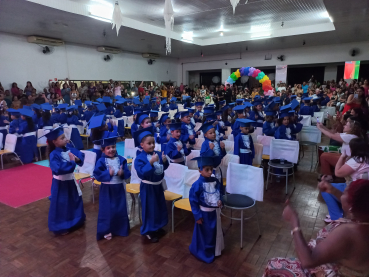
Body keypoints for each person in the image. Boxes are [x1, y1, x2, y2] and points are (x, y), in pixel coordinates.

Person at [263, 179, 369, 276]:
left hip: (329, 271)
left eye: (345, 192)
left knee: (273, 265)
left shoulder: (348, 233)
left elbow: (308, 262)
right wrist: (332, 190)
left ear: (352, 206)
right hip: (345, 264)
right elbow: (352, 204)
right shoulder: (363, 218)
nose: (342, 195)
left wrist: (293, 221)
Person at [43, 126, 86, 235]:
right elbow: (58, 169)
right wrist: (72, 162)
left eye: (64, 137)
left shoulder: (69, 149)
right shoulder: (53, 155)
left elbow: (80, 156)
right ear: (55, 142)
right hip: (60, 184)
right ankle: (62, 226)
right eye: (62, 138)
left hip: (70, 182)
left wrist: (77, 159)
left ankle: (76, 221)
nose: (65, 139)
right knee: (62, 204)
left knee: (73, 201)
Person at [319, 138, 369, 222]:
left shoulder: (357, 160)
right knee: (335, 187)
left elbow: (337, 173)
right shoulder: (365, 158)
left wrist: (342, 156)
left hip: (356, 189)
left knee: (325, 189)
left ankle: (336, 216)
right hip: (363, 188)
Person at [133, 127, 169, 243]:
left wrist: (164, 161)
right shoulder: (139, 158)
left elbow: (163, 168)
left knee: (159, 207)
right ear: (142, 145)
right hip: (148, 187)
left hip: (158, 185)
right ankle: (149, 231)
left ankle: (158, 227)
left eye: (153, 142)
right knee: (150, 209)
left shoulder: (157, 153)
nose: (152, 145)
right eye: (149, 143)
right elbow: (142, 173)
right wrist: (151, 162)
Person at [93, 136, 131, 240]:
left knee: (120, 209)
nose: (111, 150)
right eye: (108, 148)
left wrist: (122, 173)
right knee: (107, 210)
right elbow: (97, 174)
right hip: (107, 190)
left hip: (119, 188)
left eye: (113, 147)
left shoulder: (121, 160)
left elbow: (127, 172)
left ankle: (120, 229)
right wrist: (107, 173)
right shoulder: (101, 161)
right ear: (103, 150)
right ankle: (106, 230)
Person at [189, 156, 224, 264]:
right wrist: (197, 216)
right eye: (206, 170)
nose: (210, 172)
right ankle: (202, 252)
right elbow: (193, 202)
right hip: (203, 214)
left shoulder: (215, 181)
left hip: (214, 213)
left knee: (213, 233)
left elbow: (220, 193)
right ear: (200, 170)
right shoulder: (196, 185)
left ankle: (214, 250)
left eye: (211, 169)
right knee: (204, 234)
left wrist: (220, 201)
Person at [317, 117, 363, 182]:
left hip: (347, 159)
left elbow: (331, 136)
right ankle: (328, 174)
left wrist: (319, 128)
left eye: (346, 125)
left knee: (323, 156)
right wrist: (322, 127)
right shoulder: (350, 134)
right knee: (324, 154)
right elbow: (333, 133)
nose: (344, 125)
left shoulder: (350, 137)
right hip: (345, 157)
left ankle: (329, 177)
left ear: (351, 129)